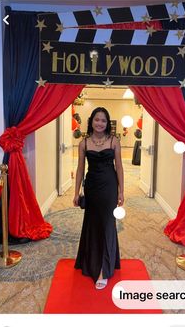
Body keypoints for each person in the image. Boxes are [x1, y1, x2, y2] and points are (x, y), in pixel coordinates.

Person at [73, 107, 124, 289]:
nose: (100, 123)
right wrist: (76, 191)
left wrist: (121, 191)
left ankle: (103, 268)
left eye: (103, 120)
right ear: (91, 121)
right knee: (93, 224)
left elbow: (119, 166)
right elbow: (80, 169)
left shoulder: (114, 141)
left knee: (108, 224)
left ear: (107, 123)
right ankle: (89, 261)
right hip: (92, 187)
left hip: (109, 187)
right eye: (97, 119)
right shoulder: (84, 143)